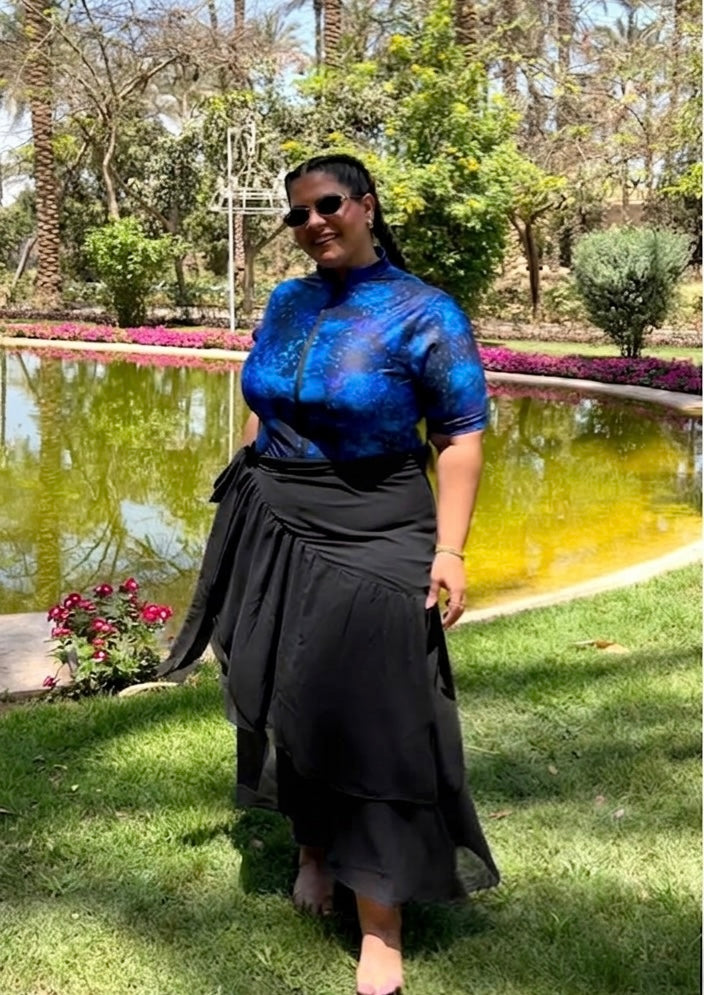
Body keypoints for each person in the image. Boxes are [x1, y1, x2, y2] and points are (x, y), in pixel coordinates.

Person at [162, 152, 499, 995]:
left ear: (367, 206)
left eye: (329, 204)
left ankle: (380, 921)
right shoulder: (288, 300)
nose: (313, 222)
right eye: (298, 213)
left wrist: (450, 550)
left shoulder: (425, 310)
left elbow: (459, 435)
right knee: (291, 689)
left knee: (382, 716)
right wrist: (248, 478)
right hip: (276, 513)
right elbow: (265, 399)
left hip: (376, 521)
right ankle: (313, 845)